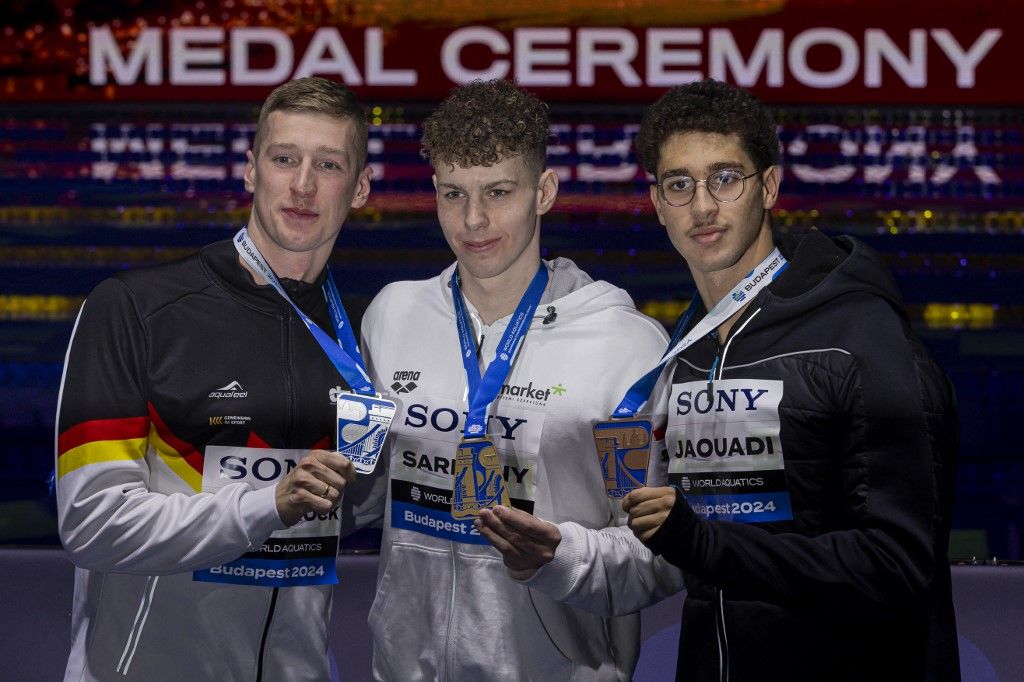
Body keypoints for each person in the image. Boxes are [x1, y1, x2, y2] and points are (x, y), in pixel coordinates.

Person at [622, 79, 960, 681]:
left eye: (725, 178)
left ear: (770, 186)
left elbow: (898, 564)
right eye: (680, 185)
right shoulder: (689, 353)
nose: (703, 206)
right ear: (657, 204)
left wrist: (703, 543)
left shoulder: (859, 334)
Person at [55, 77, 381, 680]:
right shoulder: (135, 309)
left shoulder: (363, 337)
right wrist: (266, 506)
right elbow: (92, 521)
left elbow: (346, 508)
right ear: (252, 169)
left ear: (359, 187)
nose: (303, 185)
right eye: (285, 159)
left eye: (328, 164)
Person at [360, 79, 683, 680]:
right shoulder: (392, 318)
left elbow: (656, 552)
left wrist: (557, 557)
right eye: (453, 193)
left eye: (498, 192)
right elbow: (369, 493)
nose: (473, 220)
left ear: (544, 191)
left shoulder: (624, 348)